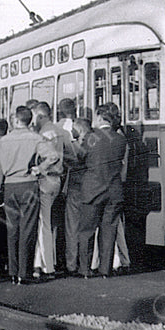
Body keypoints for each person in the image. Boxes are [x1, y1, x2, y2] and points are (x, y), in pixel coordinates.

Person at [77, 104, 128, 277]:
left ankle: (85, 269)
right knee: (109, 230)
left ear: (99, 117)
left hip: (92, 190)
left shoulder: (92, 137)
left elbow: (80, 157)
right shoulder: (120, 139)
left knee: (86, 231)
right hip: (114, 190)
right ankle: (105, 270)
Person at [0, 105, 42, 285]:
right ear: (29, 121)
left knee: (12, 229)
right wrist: (40, 168)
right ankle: (25, 272)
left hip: (9, 186)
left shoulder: (3, 141)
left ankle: (13, 272)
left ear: (15, 120)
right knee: (28, 229)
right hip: (29, 185)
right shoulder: (36, 138)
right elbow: (53, 157)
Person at [31, 102, 73, 277]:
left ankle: (46, 266)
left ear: (40, 116)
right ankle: (47, 260)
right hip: (58, 180)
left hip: (46, 179)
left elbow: (51, 157)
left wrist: (39, 168)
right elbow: (71, 156)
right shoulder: (61, 132)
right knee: (51, 224)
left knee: (43, 225)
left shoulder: (43, 134)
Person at [63, 117, 91, 274]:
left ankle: (71, 264)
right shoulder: (94, 143)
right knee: (86, 228)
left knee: (72, 227)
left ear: (79, 129)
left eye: (73, 128)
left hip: (75, 188)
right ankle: (85, 264)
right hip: (89, 189)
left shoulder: (74, 145)